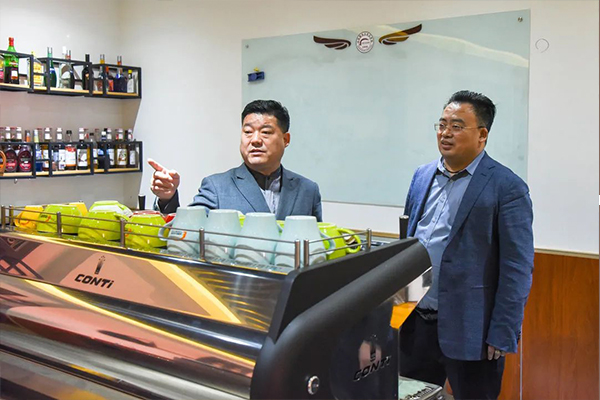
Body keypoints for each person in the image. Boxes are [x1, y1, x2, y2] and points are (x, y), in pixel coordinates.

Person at [399, 90, 534, 399]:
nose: (445, 133)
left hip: (473, 331)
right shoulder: (422, 176)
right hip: (415, 322)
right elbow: (409, 246)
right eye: (442, 124)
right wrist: (396, 311)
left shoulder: (507, 187)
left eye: (457, 126)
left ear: (482, 134)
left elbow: (517, 268)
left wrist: (503, 331)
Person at [149, 100, 322, 221]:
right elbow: (186, 228)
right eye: (248, 132)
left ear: (285, 139)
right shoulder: (217, 187)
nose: (255, 140)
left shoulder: (308, 190)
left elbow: (318, 244)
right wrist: (168, 198)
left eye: (266, 132)